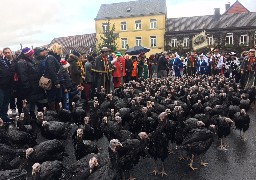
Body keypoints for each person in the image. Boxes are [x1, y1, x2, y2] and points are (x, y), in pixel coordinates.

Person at [17, 47, 45, 119]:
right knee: (28, 105)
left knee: (33, 104)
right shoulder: (22, 62)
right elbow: (24, 77)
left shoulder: (31, 60)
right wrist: (27, 88)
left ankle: (33, 119)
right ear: (28, 55)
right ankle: (27, 120)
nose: (33, 55)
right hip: (29, 88)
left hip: (34, 87)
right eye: (31, 54)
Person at [3, 48, 22, 115]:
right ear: (4, 54)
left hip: (18, 81)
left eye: (8, 52)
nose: (7, 54)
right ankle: (13, 108)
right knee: (11, 96)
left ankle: (20, 109)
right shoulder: (3, 62)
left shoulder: (16, 60)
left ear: (11, 52)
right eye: (6, 53)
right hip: (8, 82)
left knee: (19, 95)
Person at [0, 48, 15, 123]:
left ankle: (4, 117)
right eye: (5, 52)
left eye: (8, 52)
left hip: (8, 85)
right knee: (1, 102)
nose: (7, 54)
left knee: (6, 103)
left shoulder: (7, 61)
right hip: (1, 86)